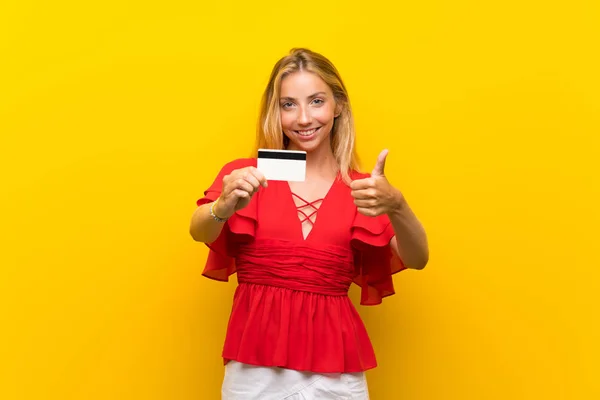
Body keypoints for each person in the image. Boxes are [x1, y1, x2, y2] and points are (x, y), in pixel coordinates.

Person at [189, 48, 429, 399]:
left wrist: (398, 205)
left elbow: (418, 258)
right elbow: (199, 230)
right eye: (289, 105)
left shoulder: (361, 187)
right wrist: (223, 206)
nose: (303, 118)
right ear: (275, 111)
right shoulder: (249, 172)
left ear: (338, 106)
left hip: (335, 372)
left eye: (316, 101)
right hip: (252, 366)